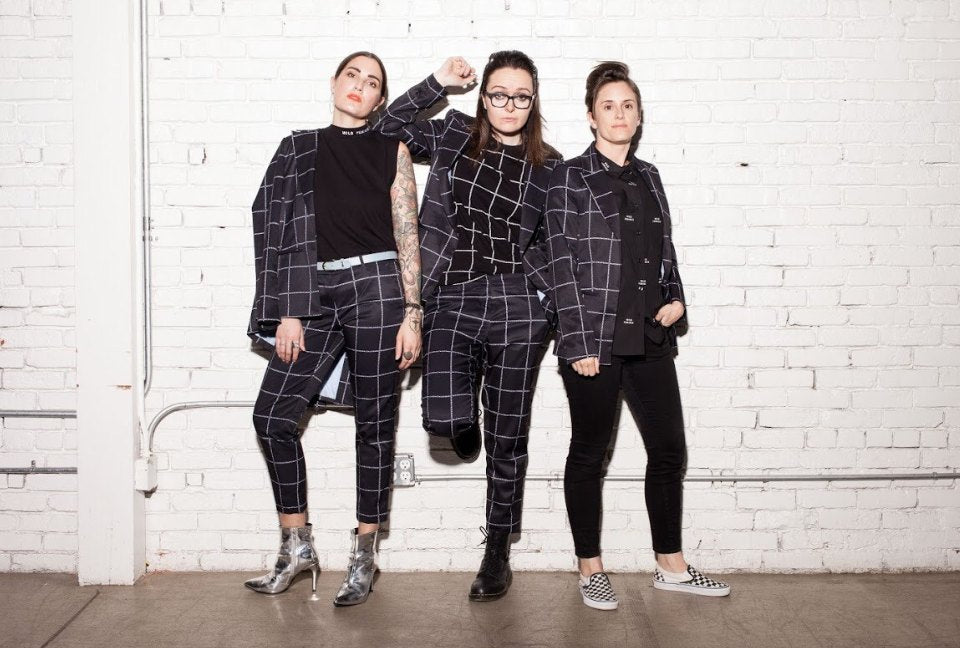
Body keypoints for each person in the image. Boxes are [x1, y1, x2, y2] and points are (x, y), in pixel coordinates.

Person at [374, 51, 560, 601]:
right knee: (447, 418)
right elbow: (384, 131)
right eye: (498, 93)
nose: (509, 105)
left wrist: (548, 307)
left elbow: (561, 244)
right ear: (484, 98)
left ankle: (497, 550)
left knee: (509, 436)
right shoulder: (455, 135)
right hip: (452, 295)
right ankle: (463, 423)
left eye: (521, 96)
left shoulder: (551, 165)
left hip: (518, 304)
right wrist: (437, 83)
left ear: (533, 101)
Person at [545, 61, 730, 610]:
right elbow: (559, 262)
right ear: (590, 116)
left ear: (639, 114)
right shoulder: (569, 177)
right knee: (589, 453)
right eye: (608, 105)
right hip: (595, 341)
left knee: (669, 449)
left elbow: (663, 247)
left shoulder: (649, 175)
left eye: (628, 105)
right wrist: (576, 342)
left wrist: (676, 296)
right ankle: (590, 567)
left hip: (651, 336)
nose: (619, 114)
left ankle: (670, 565)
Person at [244, 51, 422, 606]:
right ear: (334, 83)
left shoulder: (392, 149)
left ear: (379, 100)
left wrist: (413, 310)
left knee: (375, 422)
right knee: (272, 416)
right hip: (311, 294)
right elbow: (271, 223)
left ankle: (364, 553)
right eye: (353, 76)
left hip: (378, 289)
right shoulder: (298, 148)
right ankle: (297, 544)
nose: (360, 87)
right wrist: (288, 309)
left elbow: (407, 231)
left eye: (372, 83)